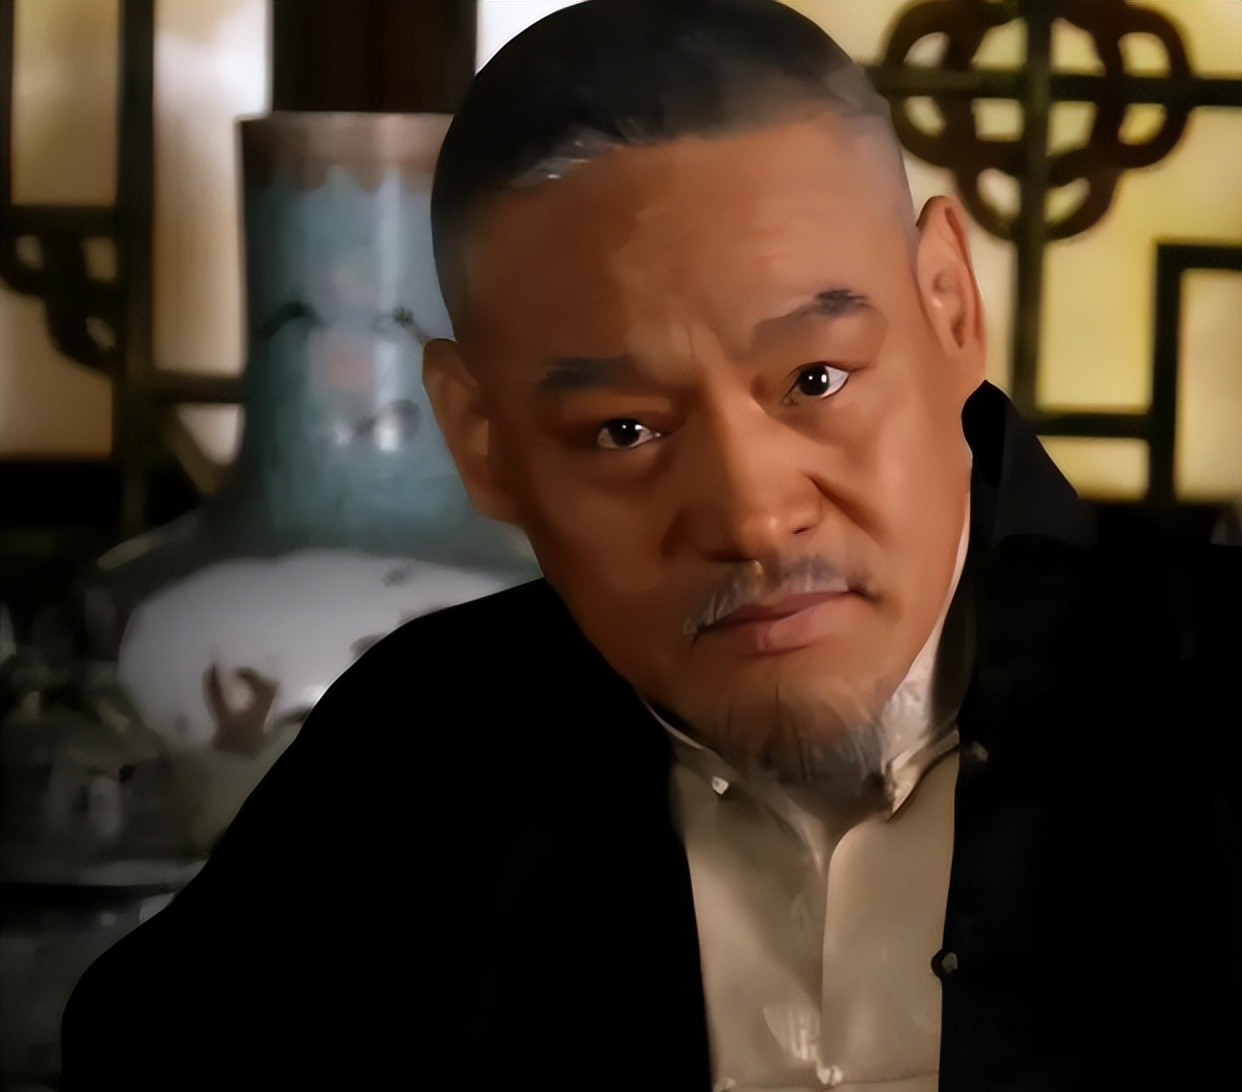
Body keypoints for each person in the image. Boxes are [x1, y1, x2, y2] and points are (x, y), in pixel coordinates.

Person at [59, 2, 1240, 1089]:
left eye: (816, 380)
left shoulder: (1202, 695)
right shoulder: (419, 763)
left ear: (949, 305)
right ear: (482, 441)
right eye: (625, 430)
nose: (750, 517)